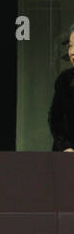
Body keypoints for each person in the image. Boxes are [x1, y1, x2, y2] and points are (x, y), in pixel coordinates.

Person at [48, 23, 74, 152]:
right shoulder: (64, 80)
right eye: (70, 46)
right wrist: (66, 147)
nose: (72, 52)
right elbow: (55, 119)